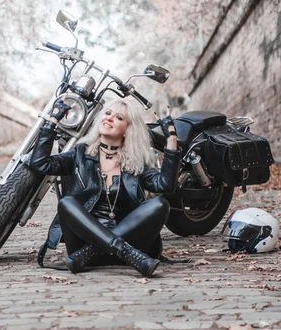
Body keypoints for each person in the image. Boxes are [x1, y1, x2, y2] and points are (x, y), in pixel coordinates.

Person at [29, 97, 181, 277]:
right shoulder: (80, 154)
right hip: (90, 245)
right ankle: (120, 250)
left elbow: (165, 185)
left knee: (159, 204)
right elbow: (40, 164)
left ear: (127, 130)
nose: (108, 118)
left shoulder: (137, 163)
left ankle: (97, 250)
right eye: (107, 113)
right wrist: (52, 122)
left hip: (94, 254)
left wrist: (171, 141)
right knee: (67, 203)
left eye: (118, 117)